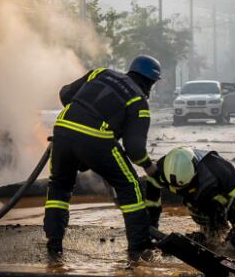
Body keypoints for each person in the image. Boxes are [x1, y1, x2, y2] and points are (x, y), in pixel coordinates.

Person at [44, 55, 161, 257]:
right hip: (96, 138)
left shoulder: (100, 72)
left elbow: (65, 94)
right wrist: (148, 166)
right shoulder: (138, 101)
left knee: (59, 187)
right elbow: (134, 149)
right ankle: (139, 246)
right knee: (129, 185)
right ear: (150, 82)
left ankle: (54, 245)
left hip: (62, 131)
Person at [145, 146, 235, 249]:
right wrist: (152, 225)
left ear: (195, 170)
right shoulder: (160, 172)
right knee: (211, 239)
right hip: (199, 203)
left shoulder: (217, 167)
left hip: (225, 200)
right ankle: (210, 235)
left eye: (184, 186)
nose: (180, 190)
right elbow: (152, 201)